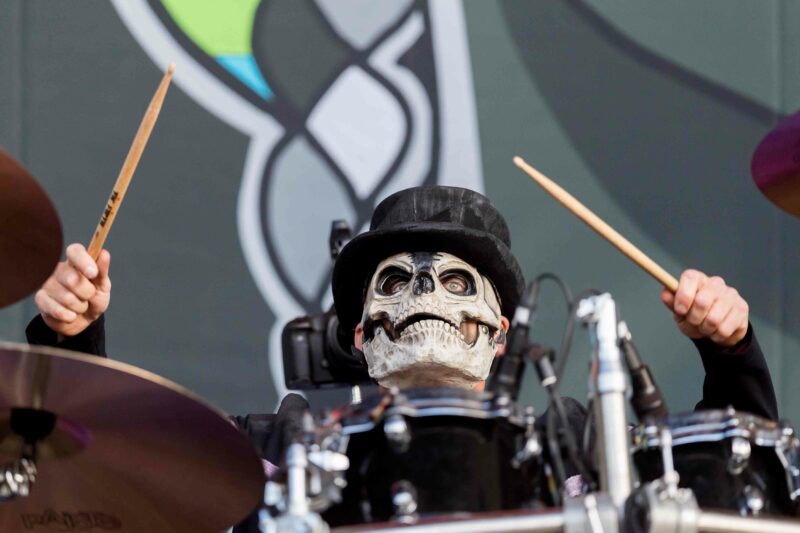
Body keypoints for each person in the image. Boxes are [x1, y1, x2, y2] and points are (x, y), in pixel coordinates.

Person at [26, 186, 778, 529]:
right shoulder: (276, 449)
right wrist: (71, 337)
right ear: (358, 335)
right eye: (395, 282)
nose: (423, 293)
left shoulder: (578, 443)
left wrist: (727, 348)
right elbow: (97, 468)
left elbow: (737, 485)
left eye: (455, 281)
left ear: (499, 331)